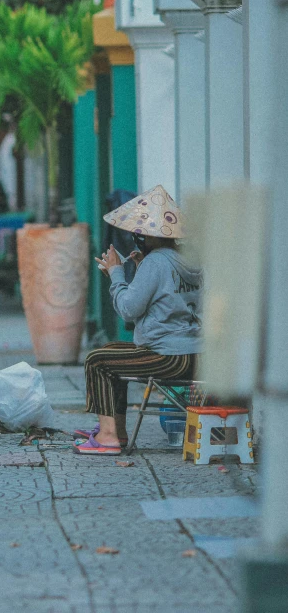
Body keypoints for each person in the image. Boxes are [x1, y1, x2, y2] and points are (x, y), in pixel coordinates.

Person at [73, 185, 202, 456]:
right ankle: (115, 432)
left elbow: (129, 311)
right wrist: (138, 271)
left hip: (168, 356)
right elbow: (167, 301)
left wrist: (117, 274)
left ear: (146, 235)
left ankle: (107, 437)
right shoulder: (187, 261)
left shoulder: (156, 263)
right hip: (194, 354)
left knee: (97, 361)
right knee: (110, 352)